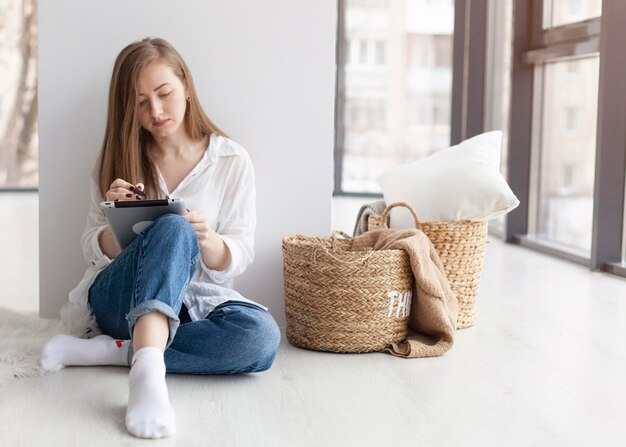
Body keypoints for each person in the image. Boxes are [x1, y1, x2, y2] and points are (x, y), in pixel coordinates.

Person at [39, 37, 281, 439]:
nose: (156, 110)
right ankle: (147, 377)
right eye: (140, 102)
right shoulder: (119, 160)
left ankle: (119, 353)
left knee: (261, 338)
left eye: (164, 93)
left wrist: (208, 238)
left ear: (186, 86)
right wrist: (112, 220)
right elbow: (90, 248)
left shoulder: (231, 161)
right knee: (171, 225)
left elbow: (238, 254)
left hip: (192, 303)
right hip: (119, 301)